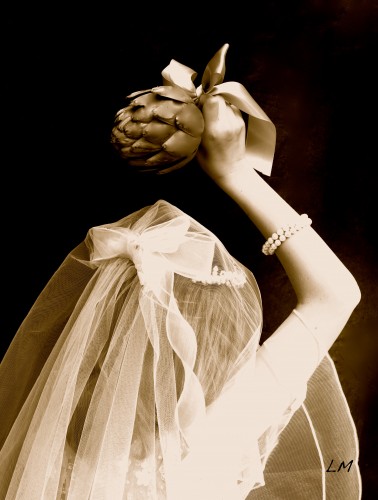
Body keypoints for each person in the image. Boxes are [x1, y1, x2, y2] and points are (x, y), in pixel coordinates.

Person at [0, 95, 361, 499]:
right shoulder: (204, 463)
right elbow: (334, 296)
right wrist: (236, 172)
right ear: (192, 366)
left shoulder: (35, 465)